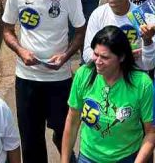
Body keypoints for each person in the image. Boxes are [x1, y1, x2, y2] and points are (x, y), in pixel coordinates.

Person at [2, 0, 85, 163]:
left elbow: (80, 32)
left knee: (62, 131)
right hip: (27, 78)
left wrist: (65, 56)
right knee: (31, 139)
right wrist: (20, 51)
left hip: (59, 79)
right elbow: (7, 30)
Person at [61, 26, 155, 163]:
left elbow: (151, 133)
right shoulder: (83, 74)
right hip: (88, 157)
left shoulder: (142, 84)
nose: (97, 61)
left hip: (127, 158)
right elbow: (73, 121)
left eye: (105, 57)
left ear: (122, 57)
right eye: (95, 54)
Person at [83, 0, 155, 71]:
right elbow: (87, 54)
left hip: (134, 79)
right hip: (105, 79)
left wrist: (147, 41)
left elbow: (149, 65)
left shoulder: (143, 17)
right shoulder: (98, 14)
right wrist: (121, 57)